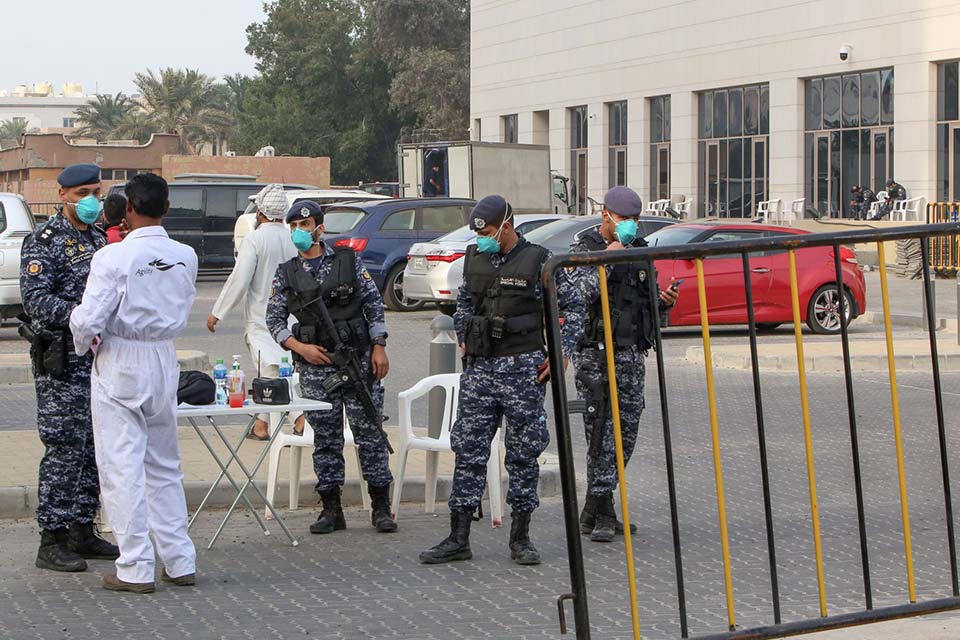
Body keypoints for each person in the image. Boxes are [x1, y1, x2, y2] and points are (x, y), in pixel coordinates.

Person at [419, 195, 585, 566]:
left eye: (490, 233)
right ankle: (458, 537)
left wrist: (562, 352)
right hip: (480, 370)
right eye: (480, 234)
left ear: (507, 226)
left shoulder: (540, 260)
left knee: (524, 453)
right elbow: (462, 304)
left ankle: (521, 538)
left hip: (523, 369)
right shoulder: (475, 258)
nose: (484, 240)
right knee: (468, 450)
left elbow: (574, 308)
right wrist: (463, 333)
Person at [70, 172, 199, 594]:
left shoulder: (113, 257)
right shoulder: (186, 255)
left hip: (121, 356)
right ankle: (179, 560)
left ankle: (136, 567)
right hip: (163, 356)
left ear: (128, 209)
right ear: (166, 208)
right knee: (164, 465)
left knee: (121, 467)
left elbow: (89, 319)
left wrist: (80, 338)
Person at [265, 200, 397, 535]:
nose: (299, 232)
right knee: (326, 437)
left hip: (357, 360)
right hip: (316, 366)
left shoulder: (347, 261)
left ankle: (381, 507)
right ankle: (331, 508)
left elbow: (372, 303)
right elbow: (274, 319)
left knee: (370, 433)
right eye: (293, 227)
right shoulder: (286, 272)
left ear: (320, 228)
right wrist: (300, 348)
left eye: (305, 226)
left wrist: (379, 346)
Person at [19, 162, 119, 572]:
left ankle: (82, 529)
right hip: (62, 362)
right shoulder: (43, 241)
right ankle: (52, 539)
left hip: (99, 360)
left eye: (96, 192)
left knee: (95, 447)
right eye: (83, 194)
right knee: (64, 448)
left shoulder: (99, 237)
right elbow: (35, 300)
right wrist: (83, 316)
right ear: (63, 196)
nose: (92, 201)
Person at [570, 186, 678, 543]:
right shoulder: (583, 249)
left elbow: (648, 308)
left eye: (635, 220)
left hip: (632, 356)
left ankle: (593, 508)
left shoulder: (640, 253)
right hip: (595, 357)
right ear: (606, 216)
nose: (631, 226)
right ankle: (602, 512)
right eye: (624, 220)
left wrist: (664, 302)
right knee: (599, 434)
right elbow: (574, 297)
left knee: (624, 438)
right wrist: (605, 261)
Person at [207, 184, 303, 440]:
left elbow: (240, 279)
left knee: (270, 373)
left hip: (262, 318)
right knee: (281, 370)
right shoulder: (292, 238)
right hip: (292, 319)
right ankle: (262, 425)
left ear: (260, 213)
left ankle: (300, 419)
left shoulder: (255, 240)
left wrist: (218, 312)